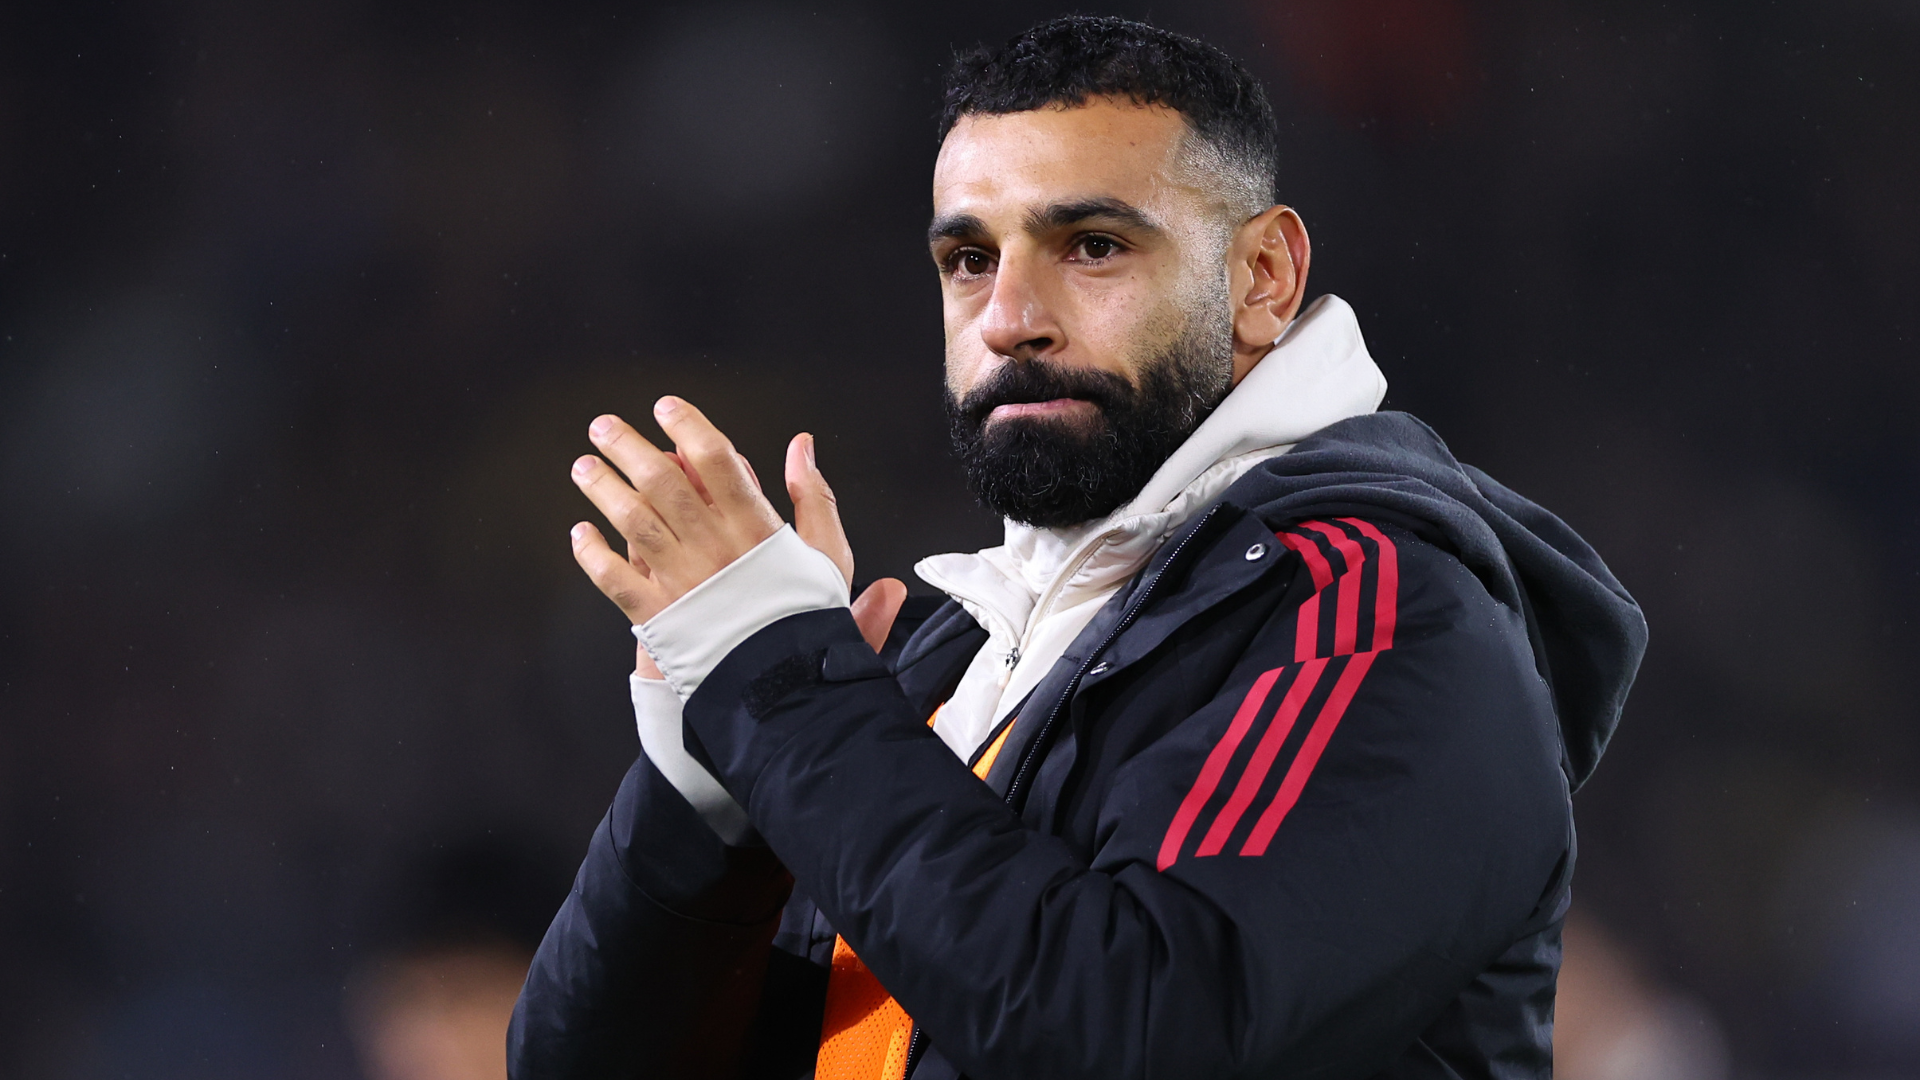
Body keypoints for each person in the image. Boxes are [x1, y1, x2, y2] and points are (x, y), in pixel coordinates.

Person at [508, 15, 1647, 1080]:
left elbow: (1130, 1032)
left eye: (1092, 246)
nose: (1010, 317)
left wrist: (779, 685)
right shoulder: (945, 659)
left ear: (1263, 280)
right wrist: (709, 785)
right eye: (968, 260)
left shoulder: (1379, 611)